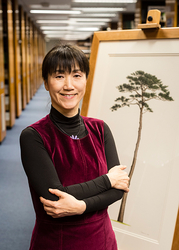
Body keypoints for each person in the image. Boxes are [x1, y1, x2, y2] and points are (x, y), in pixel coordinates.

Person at [20, 44, 130, 250]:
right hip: (57, 241)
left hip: (103, 239)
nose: (69, 85)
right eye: (59, 76)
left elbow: (119, 190)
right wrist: (108, 180)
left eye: (77, 75)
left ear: (86, 80)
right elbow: (54, 198)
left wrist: (81, 206)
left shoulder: (100, 128)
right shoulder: (33, 136)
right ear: (45, 82)